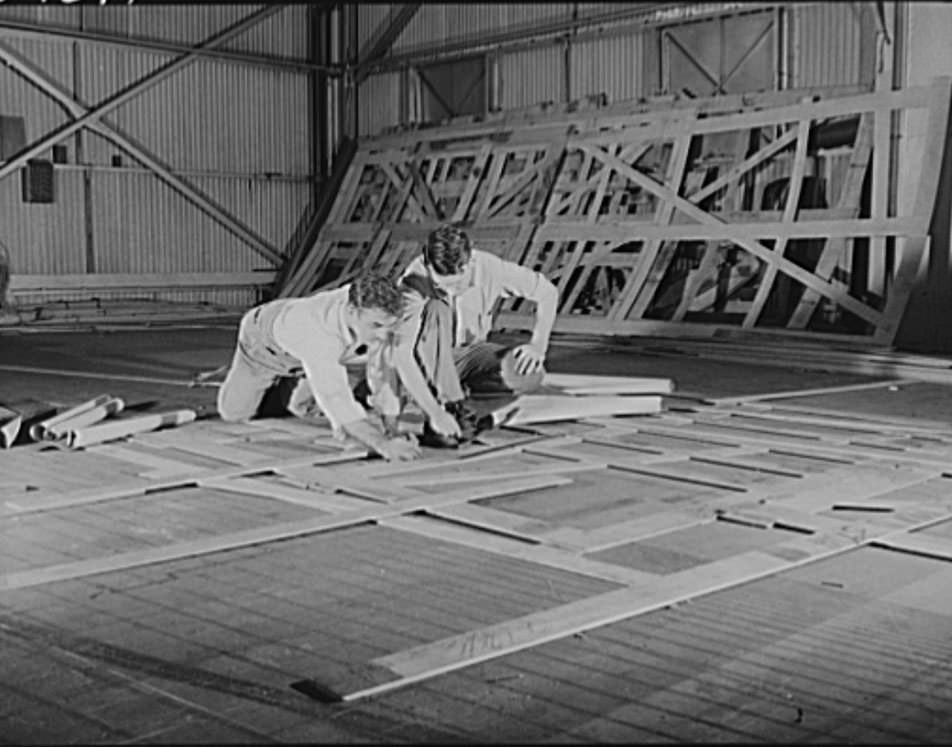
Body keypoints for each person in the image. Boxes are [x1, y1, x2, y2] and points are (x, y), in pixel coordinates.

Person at [217, 272, 430, 462]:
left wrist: (391, 428)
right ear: (352, 311)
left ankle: (300, 384)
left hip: (312, 345)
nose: (384, 334)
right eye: (376, 326)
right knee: (235, 413)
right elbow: (336, 398)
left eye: (389, 326)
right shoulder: (319, 334)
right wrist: (382, 444)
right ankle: (280, 384)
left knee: (301, 408)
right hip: (264, 346)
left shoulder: (369, 309)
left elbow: (383, 371)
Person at [395, 223, 560, 447]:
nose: (450, 292)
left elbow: (547, 292)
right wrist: (431, 412)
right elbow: (400, 353)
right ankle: (448, 404)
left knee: (528, 373)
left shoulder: (490, 268)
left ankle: (467, 412)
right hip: (424, 361)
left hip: (467, 355)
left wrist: (538, 345)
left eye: (455, 285)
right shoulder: (413, 282)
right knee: (436, 307)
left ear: (468, 263)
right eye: (441, 286)